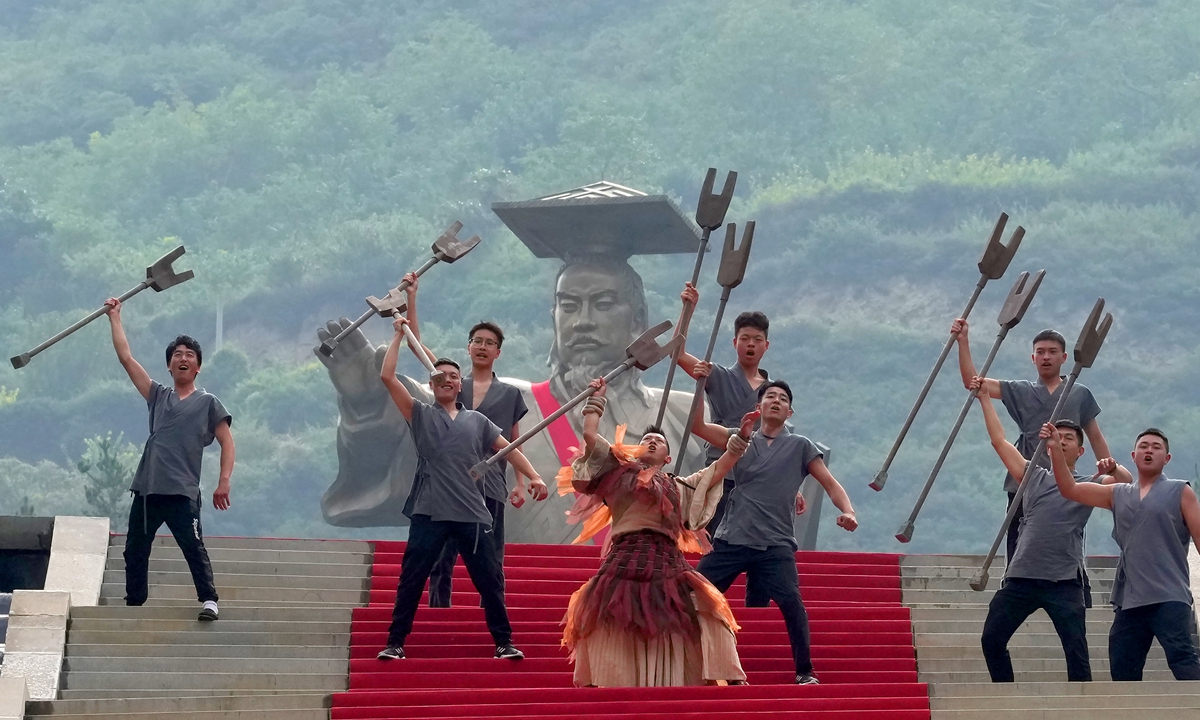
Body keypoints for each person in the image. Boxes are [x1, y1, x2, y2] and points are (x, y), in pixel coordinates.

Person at [559, 376, 748, 686]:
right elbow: (591, 436)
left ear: (668, 457)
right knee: (609, 617)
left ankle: (726, 672)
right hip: (623, 557)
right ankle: (605, 681)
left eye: (658, 441)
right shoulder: (617, 473)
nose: (651, 442)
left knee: (706, 608)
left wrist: (741, 437)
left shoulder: (678, 485)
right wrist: (597, 399)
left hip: (667, 559)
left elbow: (719, 468)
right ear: (637, 449)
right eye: (646, 439)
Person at [375, 314, 543, 661]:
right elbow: (387, 376)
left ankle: (503, 642)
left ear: (459, 385)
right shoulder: (419, 413)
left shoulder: (478, 421)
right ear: (432, 383)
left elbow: (509, 449)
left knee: (489, 580)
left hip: (471, 513)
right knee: (412, 578)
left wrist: (534, 477)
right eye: (441, 375)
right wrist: (396, 336)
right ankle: (395, 642)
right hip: (429, 510)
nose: (448, 379)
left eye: (453, 376)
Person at [689, 375, 858, 685]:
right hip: (732, 539)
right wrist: (700, 384)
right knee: (692, 595)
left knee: (792, 603)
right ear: (759, 405)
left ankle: (805, 671)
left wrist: (847, 511)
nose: (776, 400)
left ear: (789, 412)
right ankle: (685, 663)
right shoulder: (739, 438)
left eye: (783, 398)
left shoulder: (800, 446)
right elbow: (698, 426)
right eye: (771, 396)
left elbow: (830, 483)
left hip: (774, 545)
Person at [396, 272, 545, 608]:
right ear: (468, 347)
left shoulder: (509, 394)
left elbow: (512, 442)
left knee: (490, 556)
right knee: (440, 556)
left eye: (489, 343)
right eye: (477, 340)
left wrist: (521, 482)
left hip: (490, 484)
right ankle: (439, 609)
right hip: (444, 485)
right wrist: (413, 298)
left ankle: (492, 616)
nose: (482, 346)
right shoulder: (449, 381)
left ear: (498, 352)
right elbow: (415, 343)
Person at [974, 380, 1130, 682]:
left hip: (1063, 581)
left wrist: (1112, 466)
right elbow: (999, 442)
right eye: (1057, 437)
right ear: (1047, 444)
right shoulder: (1033, 476)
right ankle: (1007, 696)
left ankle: (1081, 709)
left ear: (1080, 449)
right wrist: (984, 400)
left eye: (1068, 438)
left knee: (1077, 654)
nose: (1061, 442)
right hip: (1022, 578)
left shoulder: (1089, 484)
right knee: (991, 640)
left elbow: (1124, 484)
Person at [104, 298, 234, 622]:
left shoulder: (208, 403)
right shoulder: (158, 395)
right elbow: (126, 358)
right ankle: (134, 601)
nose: (183, 358)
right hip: (148, 489)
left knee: (193, 546)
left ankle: (209, 600)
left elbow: (227, 442)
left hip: (182, 492)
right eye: (177, 354)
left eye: (189, 355)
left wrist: (224, 481)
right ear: (169, 365)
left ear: (198, 366)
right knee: (135, 549)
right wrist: (115, 317)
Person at [952, 319, 1112, 567]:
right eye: (1040, 352)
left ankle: (1074, 586)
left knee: (1067, 541)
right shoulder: (1021, 390)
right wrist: (963, 341)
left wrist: (1108, 470)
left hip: (1068, 484)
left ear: (1064, 357)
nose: (1046, 357)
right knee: (1018, 542)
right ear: (1033, 358)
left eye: (1052, 352)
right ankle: (1013, 582)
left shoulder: (1079, 393)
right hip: (1025, 481)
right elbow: (974, 383)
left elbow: (1095, 436)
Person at [1049, 426, 1200, 681]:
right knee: (1122, 670)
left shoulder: (1180, 491)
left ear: (1167, 458)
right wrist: (1054, 451)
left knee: (1183, 661)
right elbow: (1070, 489)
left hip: (1170, 595)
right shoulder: (1118, 494)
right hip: (1130, 600)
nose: (1149, 450)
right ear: (1133, 455)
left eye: (1156, 447)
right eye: (1143, 446)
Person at [674, 282, 777, 534]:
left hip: (757, 475)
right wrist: (687, 311)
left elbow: (778, 439)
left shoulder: (774, 392)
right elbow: (677, 353)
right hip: (720, 469)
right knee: (713, 538)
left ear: (766, 345)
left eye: (757, 339)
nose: (750, 345)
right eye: (745, 339)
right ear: (735, 343)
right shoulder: (717, 375)